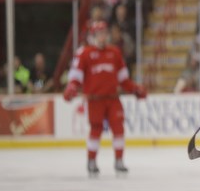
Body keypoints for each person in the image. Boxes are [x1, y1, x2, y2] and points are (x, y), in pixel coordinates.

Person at [63, 20, 147, 177]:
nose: (103, 37)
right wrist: (72, 87)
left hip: (113, 98)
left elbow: (123, 79)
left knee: (118, 128)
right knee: (96, 129)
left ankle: (119, 160)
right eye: (99, 34)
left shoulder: (114, 52)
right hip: (95, 99)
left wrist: (134, 88)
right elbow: (75, 77)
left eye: (104, 33)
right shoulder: (84, 53)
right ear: (92, 36)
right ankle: (91, 160)